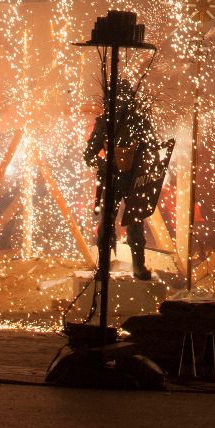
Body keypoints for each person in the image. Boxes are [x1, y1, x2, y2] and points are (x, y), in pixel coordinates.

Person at [84, 78, 164, 281]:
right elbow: (89, 155)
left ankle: (138, 265)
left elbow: (153, 149)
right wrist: (107, 165)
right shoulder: (105, 123)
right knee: (106, 224)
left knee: (135, 223)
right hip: (111, 180)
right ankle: (103, 267)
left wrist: (139, 163)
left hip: (132, 180)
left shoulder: (139, 122)